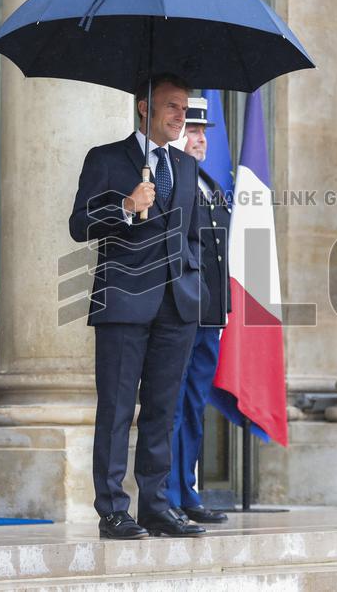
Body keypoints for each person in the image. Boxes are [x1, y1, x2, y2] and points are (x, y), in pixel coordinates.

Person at [69, 74, 209, 539]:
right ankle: (112, 509)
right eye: (171, 106)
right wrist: (127, 206)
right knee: (115, 410)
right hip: (124, 302)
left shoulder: (186, 168)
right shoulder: (107, 158)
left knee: (162, 410)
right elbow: (79, 224)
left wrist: (193, 288)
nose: (180, 115)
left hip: (177, 306)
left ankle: (156, 505)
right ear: (144, 108)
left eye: (184, 107)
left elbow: (193, 239)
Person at [166, 97, 232, 524]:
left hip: (208, 315)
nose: (201, 138)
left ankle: (187, 491)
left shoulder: (209, 183)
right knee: (170, 405)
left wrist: (222, 312)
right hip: (179, 312)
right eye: (192, 130)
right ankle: (166, 494)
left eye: (204, 131)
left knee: (192, 405)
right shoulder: (171, 181)